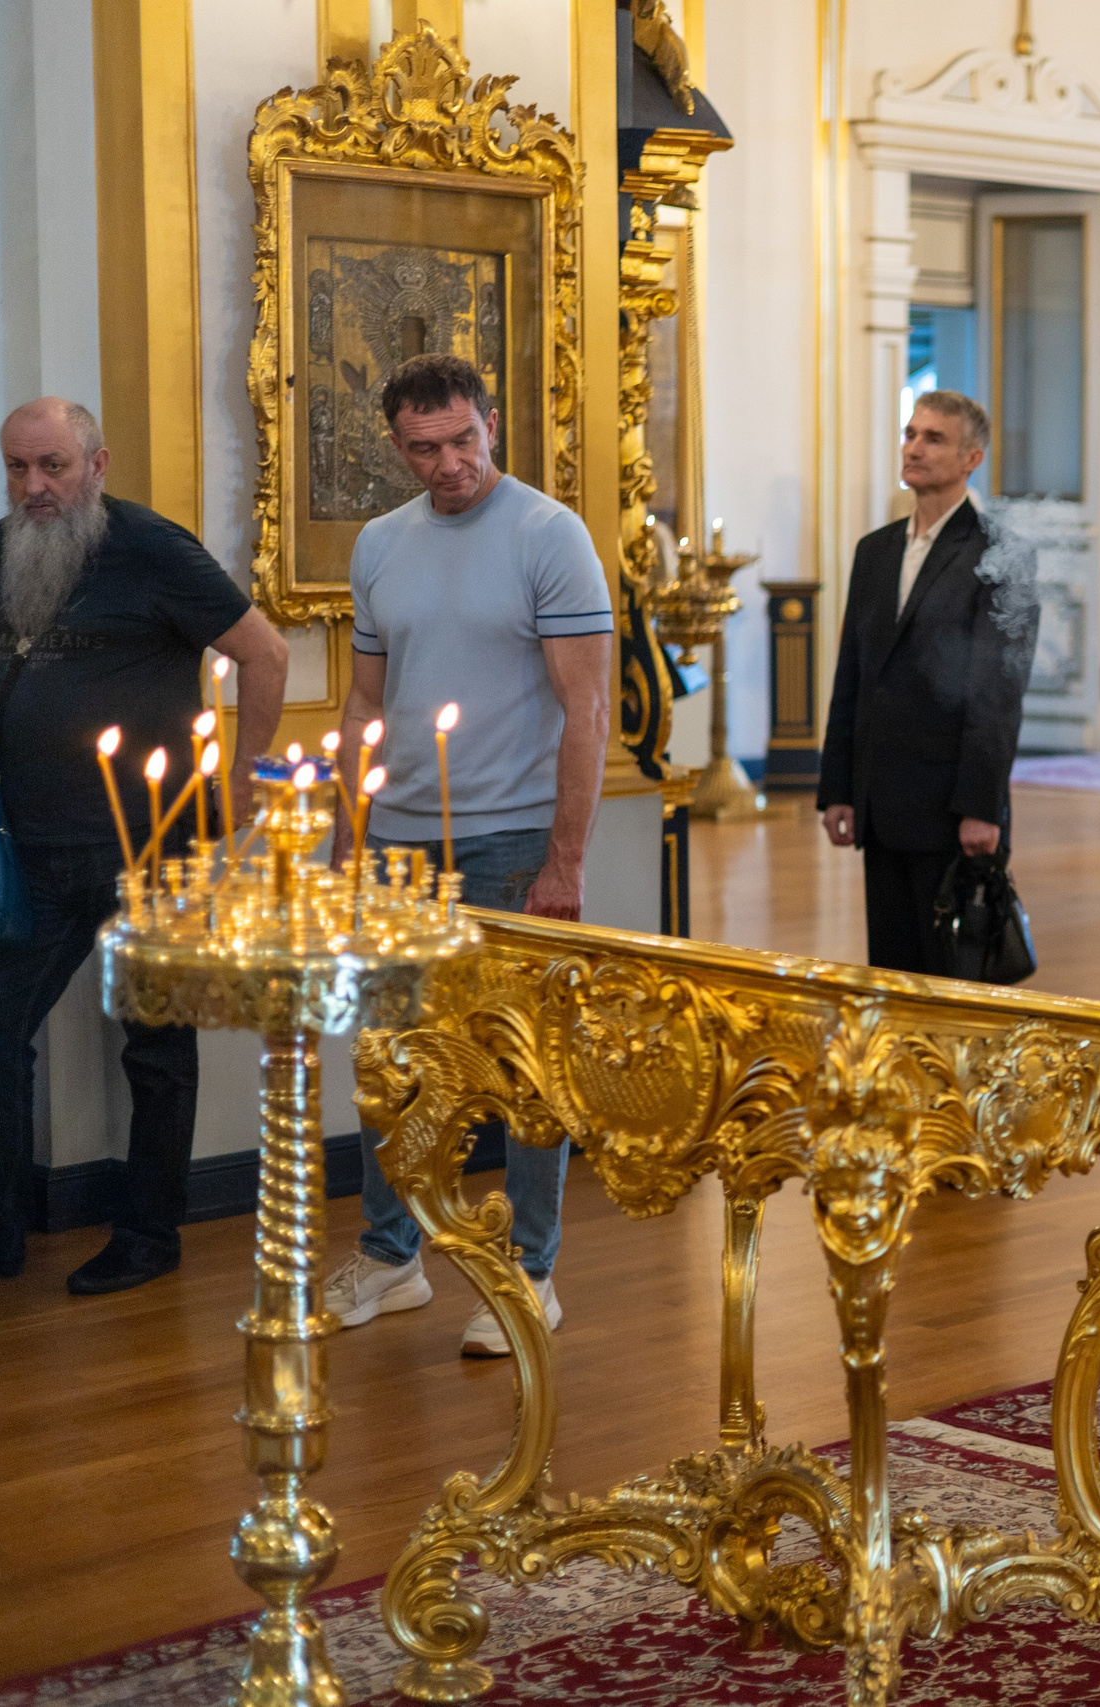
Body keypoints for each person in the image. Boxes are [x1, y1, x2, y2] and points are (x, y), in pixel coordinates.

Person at [323, 352, 613, 1355]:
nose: (449, 463)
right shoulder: (379, 544)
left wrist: (565, 861)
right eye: (424, 448)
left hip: (514, 837)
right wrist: (345, 834)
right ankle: (390, 1257)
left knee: (524, 1072)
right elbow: (366, 701)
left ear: (491, 421)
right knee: (392, 1065)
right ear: (395, 447)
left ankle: (529, 1274)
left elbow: (588, 707)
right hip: (399, 840)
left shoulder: (550, 534)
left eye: (463, 440)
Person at [0, 398, 290, 1293]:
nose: (34, 486)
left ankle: (150, 1236)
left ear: (97, 462)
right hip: (30, 851)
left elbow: (264, 654)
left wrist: (247, 781)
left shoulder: (154, 548)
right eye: (17, 468)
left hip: (151, 847)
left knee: (155, 1048)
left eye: (53, 467)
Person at [818, 393, 1040, 972]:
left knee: (954, 981)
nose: (913, 448)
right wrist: (839, 787)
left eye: (933, 438)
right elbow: (853, 673)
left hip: (951, 806)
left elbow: (998, 695)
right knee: (892, 974)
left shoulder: (1004, 555)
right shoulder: (875, 551)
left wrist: (981, 807)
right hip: (883, 801)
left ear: (972, 458)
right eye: (910, 434)